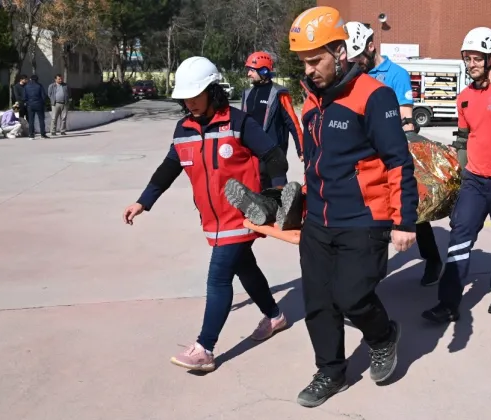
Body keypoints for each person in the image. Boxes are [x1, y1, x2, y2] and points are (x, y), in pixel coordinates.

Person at [121, 56, 290, 373]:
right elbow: (170, 167)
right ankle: (275, 316)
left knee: (218, 278)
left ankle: (205, 348)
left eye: (196, 95)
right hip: (211, 219)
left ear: (214, 91)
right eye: (185, 97)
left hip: (243, 214)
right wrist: (144, 201)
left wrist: (278, 191)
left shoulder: (239, 122)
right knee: (246, 268)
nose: (190, 103)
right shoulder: (183, 128)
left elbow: (273, 155)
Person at [288, 6, 418, 407]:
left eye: (316, 60)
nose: (309, 70)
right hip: (319, 222)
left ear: (340, 52)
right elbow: (314, 164)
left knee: (352, 297)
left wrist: (404, 221)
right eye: (303, 62)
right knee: (318, 302)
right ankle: (330, 371)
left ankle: (382, 336)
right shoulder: (311, 104)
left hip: (365, 218)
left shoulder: (374, 97)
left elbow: (398, 160)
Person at [422, 27, 491, 323]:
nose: (471, 63)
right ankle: (448, 303)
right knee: (460, 236)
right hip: (475, 178)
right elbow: (462, 140)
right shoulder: (464, 98)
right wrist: (456, 176)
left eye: (477, 58)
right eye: (467, 58)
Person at [344, 20, 443, 287]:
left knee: (411, 211)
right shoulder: (354, 75)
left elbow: (406, 119)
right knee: (370, 214)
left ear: (370, 46)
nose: (356, 64)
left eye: (359, 58)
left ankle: (432, 259)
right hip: (364, 158)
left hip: (391, 154)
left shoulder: (396, 74)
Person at [241, 51, 304, 189]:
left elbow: (292, 122)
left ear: (263, 70)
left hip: (275, 155)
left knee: (280, 199)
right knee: (258, 198)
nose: (248, 74)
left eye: (251, 70)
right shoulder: (247, 94)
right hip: (253, 156)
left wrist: (301, 149)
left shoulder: (279, 93)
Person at [24, 74, 49, 139]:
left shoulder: (27, 86)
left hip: (30, 105)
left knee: (31, 120)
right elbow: (43, 96)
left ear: (30, 79)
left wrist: (27, 102)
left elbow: (24, 97)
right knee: (41, 120)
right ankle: (43, 134)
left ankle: (31, 135)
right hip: (39, 105)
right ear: (37, 79)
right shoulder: (39, 86)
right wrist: (42, 103)